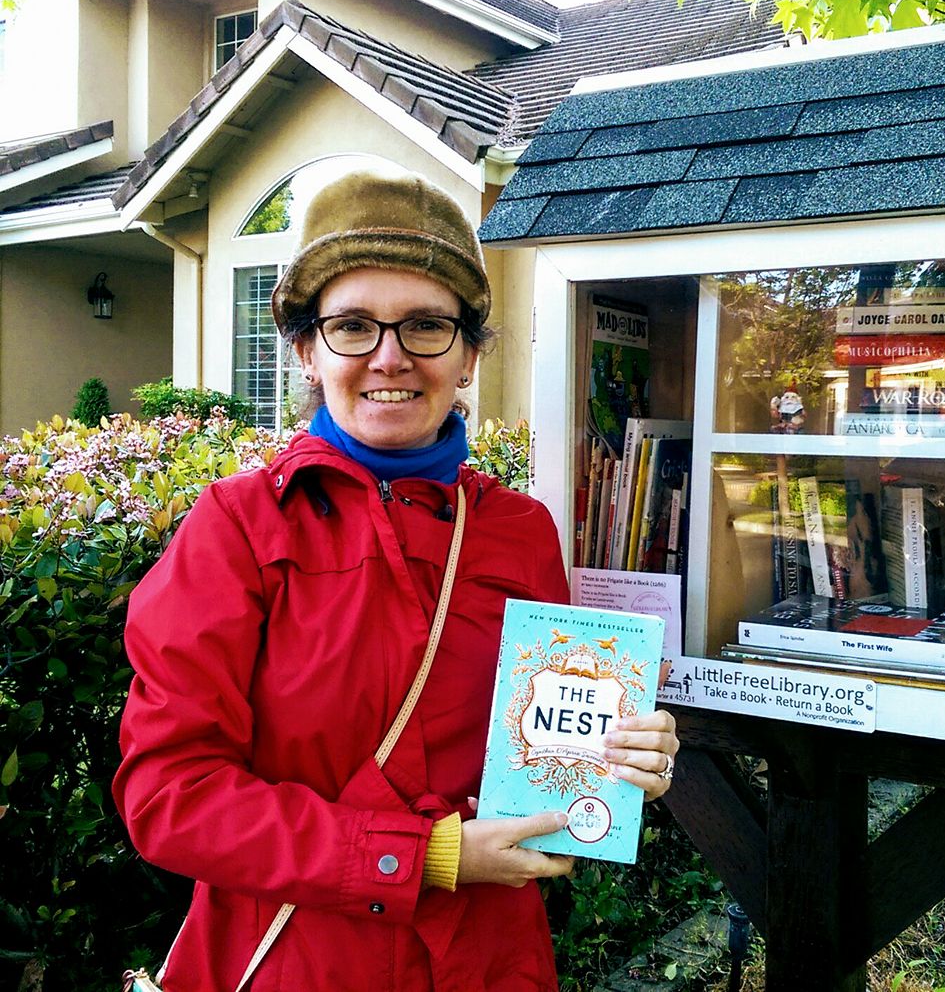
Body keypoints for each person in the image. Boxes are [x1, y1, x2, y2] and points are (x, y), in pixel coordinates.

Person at [113, 170, 680, 991]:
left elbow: (551, 751)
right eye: (352, 326)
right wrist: (425, 856)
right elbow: (170, 794)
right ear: (308, 351)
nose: (390, 356)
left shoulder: (520, 531)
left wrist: (624, 761)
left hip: (489, 965)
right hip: (297, 965)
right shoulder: (237, 528)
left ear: (470, 355)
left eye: (426, 325)